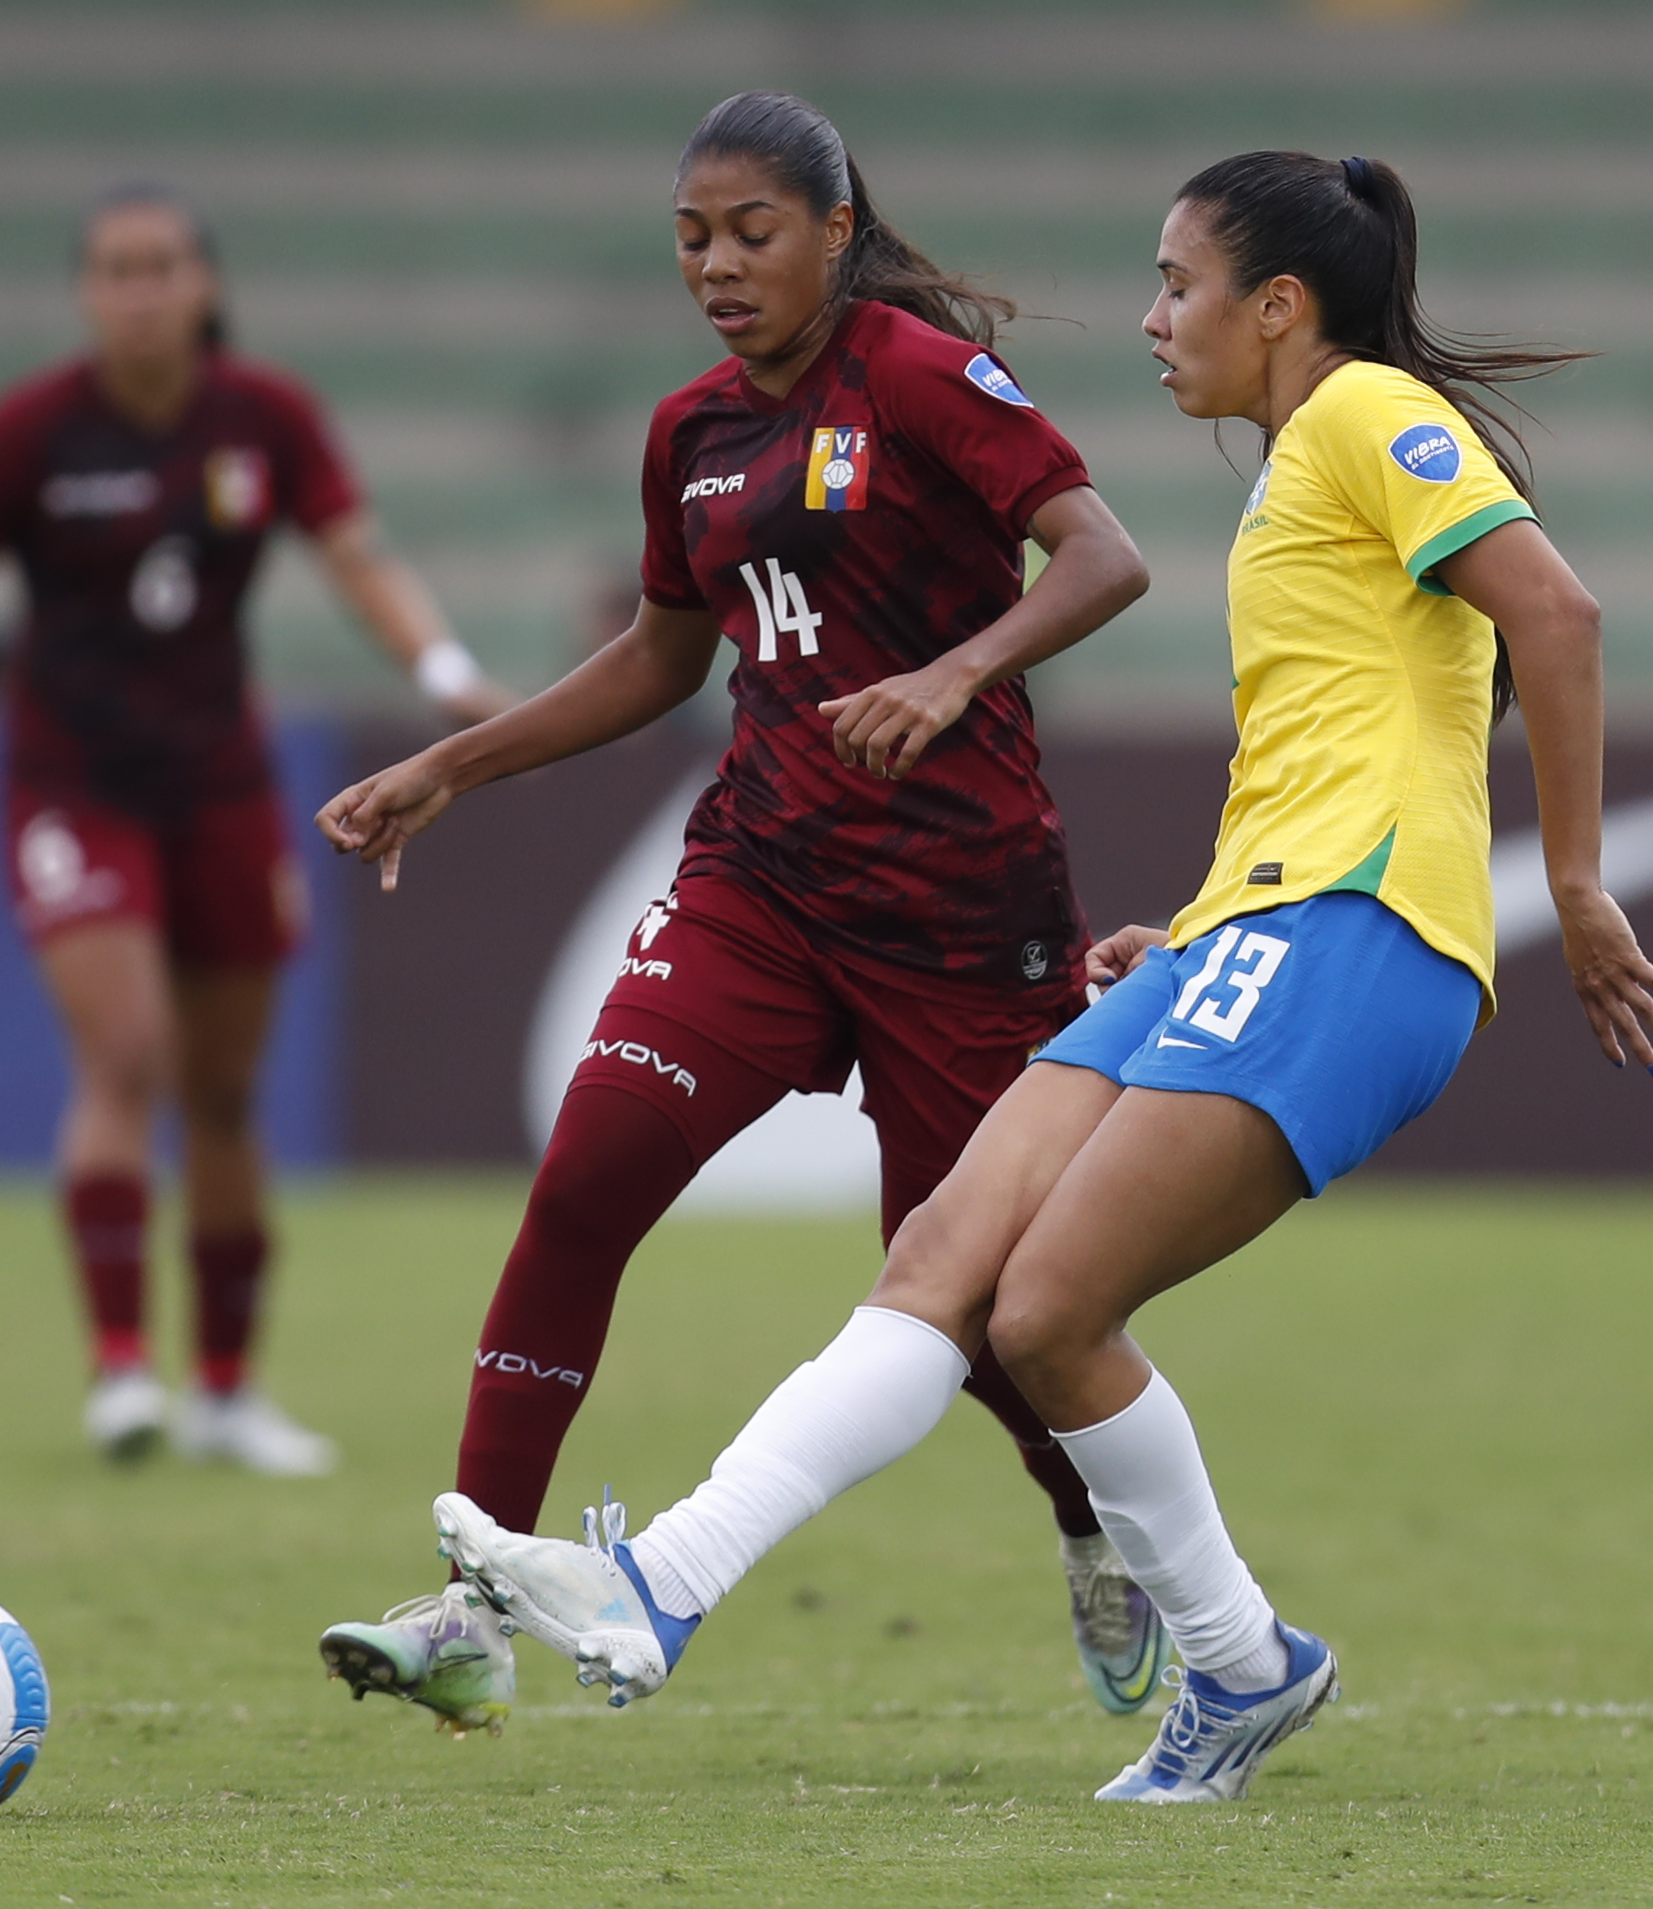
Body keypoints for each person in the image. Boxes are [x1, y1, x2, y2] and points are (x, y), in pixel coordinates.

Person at [428, 150, 1653, 1804]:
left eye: (1180, 285)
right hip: (1256, 919)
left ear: (1280, 306)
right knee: (951, 1254)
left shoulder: (1365, 416)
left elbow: (1558, 613)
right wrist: (1195, 920)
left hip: (1358, 930)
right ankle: (667, 1581)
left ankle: (1231, 1661)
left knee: (1043, 1308)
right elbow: (1356, 729)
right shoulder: (1302, 461)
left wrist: (1577, 882)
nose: (1155, 319)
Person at [311, 92, 1158, 1736]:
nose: (715, 263)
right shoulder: (688, 429)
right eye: (691, 235)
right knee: (587, 1173)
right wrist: (452, 766)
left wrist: (954, 665)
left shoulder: (913, 374)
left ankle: (1094, 1522)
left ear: (836, 233)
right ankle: (477, 1598)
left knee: (983, 1309)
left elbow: (1101, 555)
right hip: (760, 885)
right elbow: (660, 653)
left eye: (749, 230)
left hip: (962, 916)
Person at [0, 182, 508, 1473]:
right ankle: (119, 1371)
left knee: (224, 1092)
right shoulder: (22, 436)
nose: (138, 290)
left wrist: (442, 675)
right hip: (72, 786)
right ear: (87, 293)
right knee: (128, 1054)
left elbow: (358, 556)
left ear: (203, 285)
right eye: (113, 269)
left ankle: (223, 1390)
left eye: (159, 267)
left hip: (222, 786)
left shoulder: (266, 420)